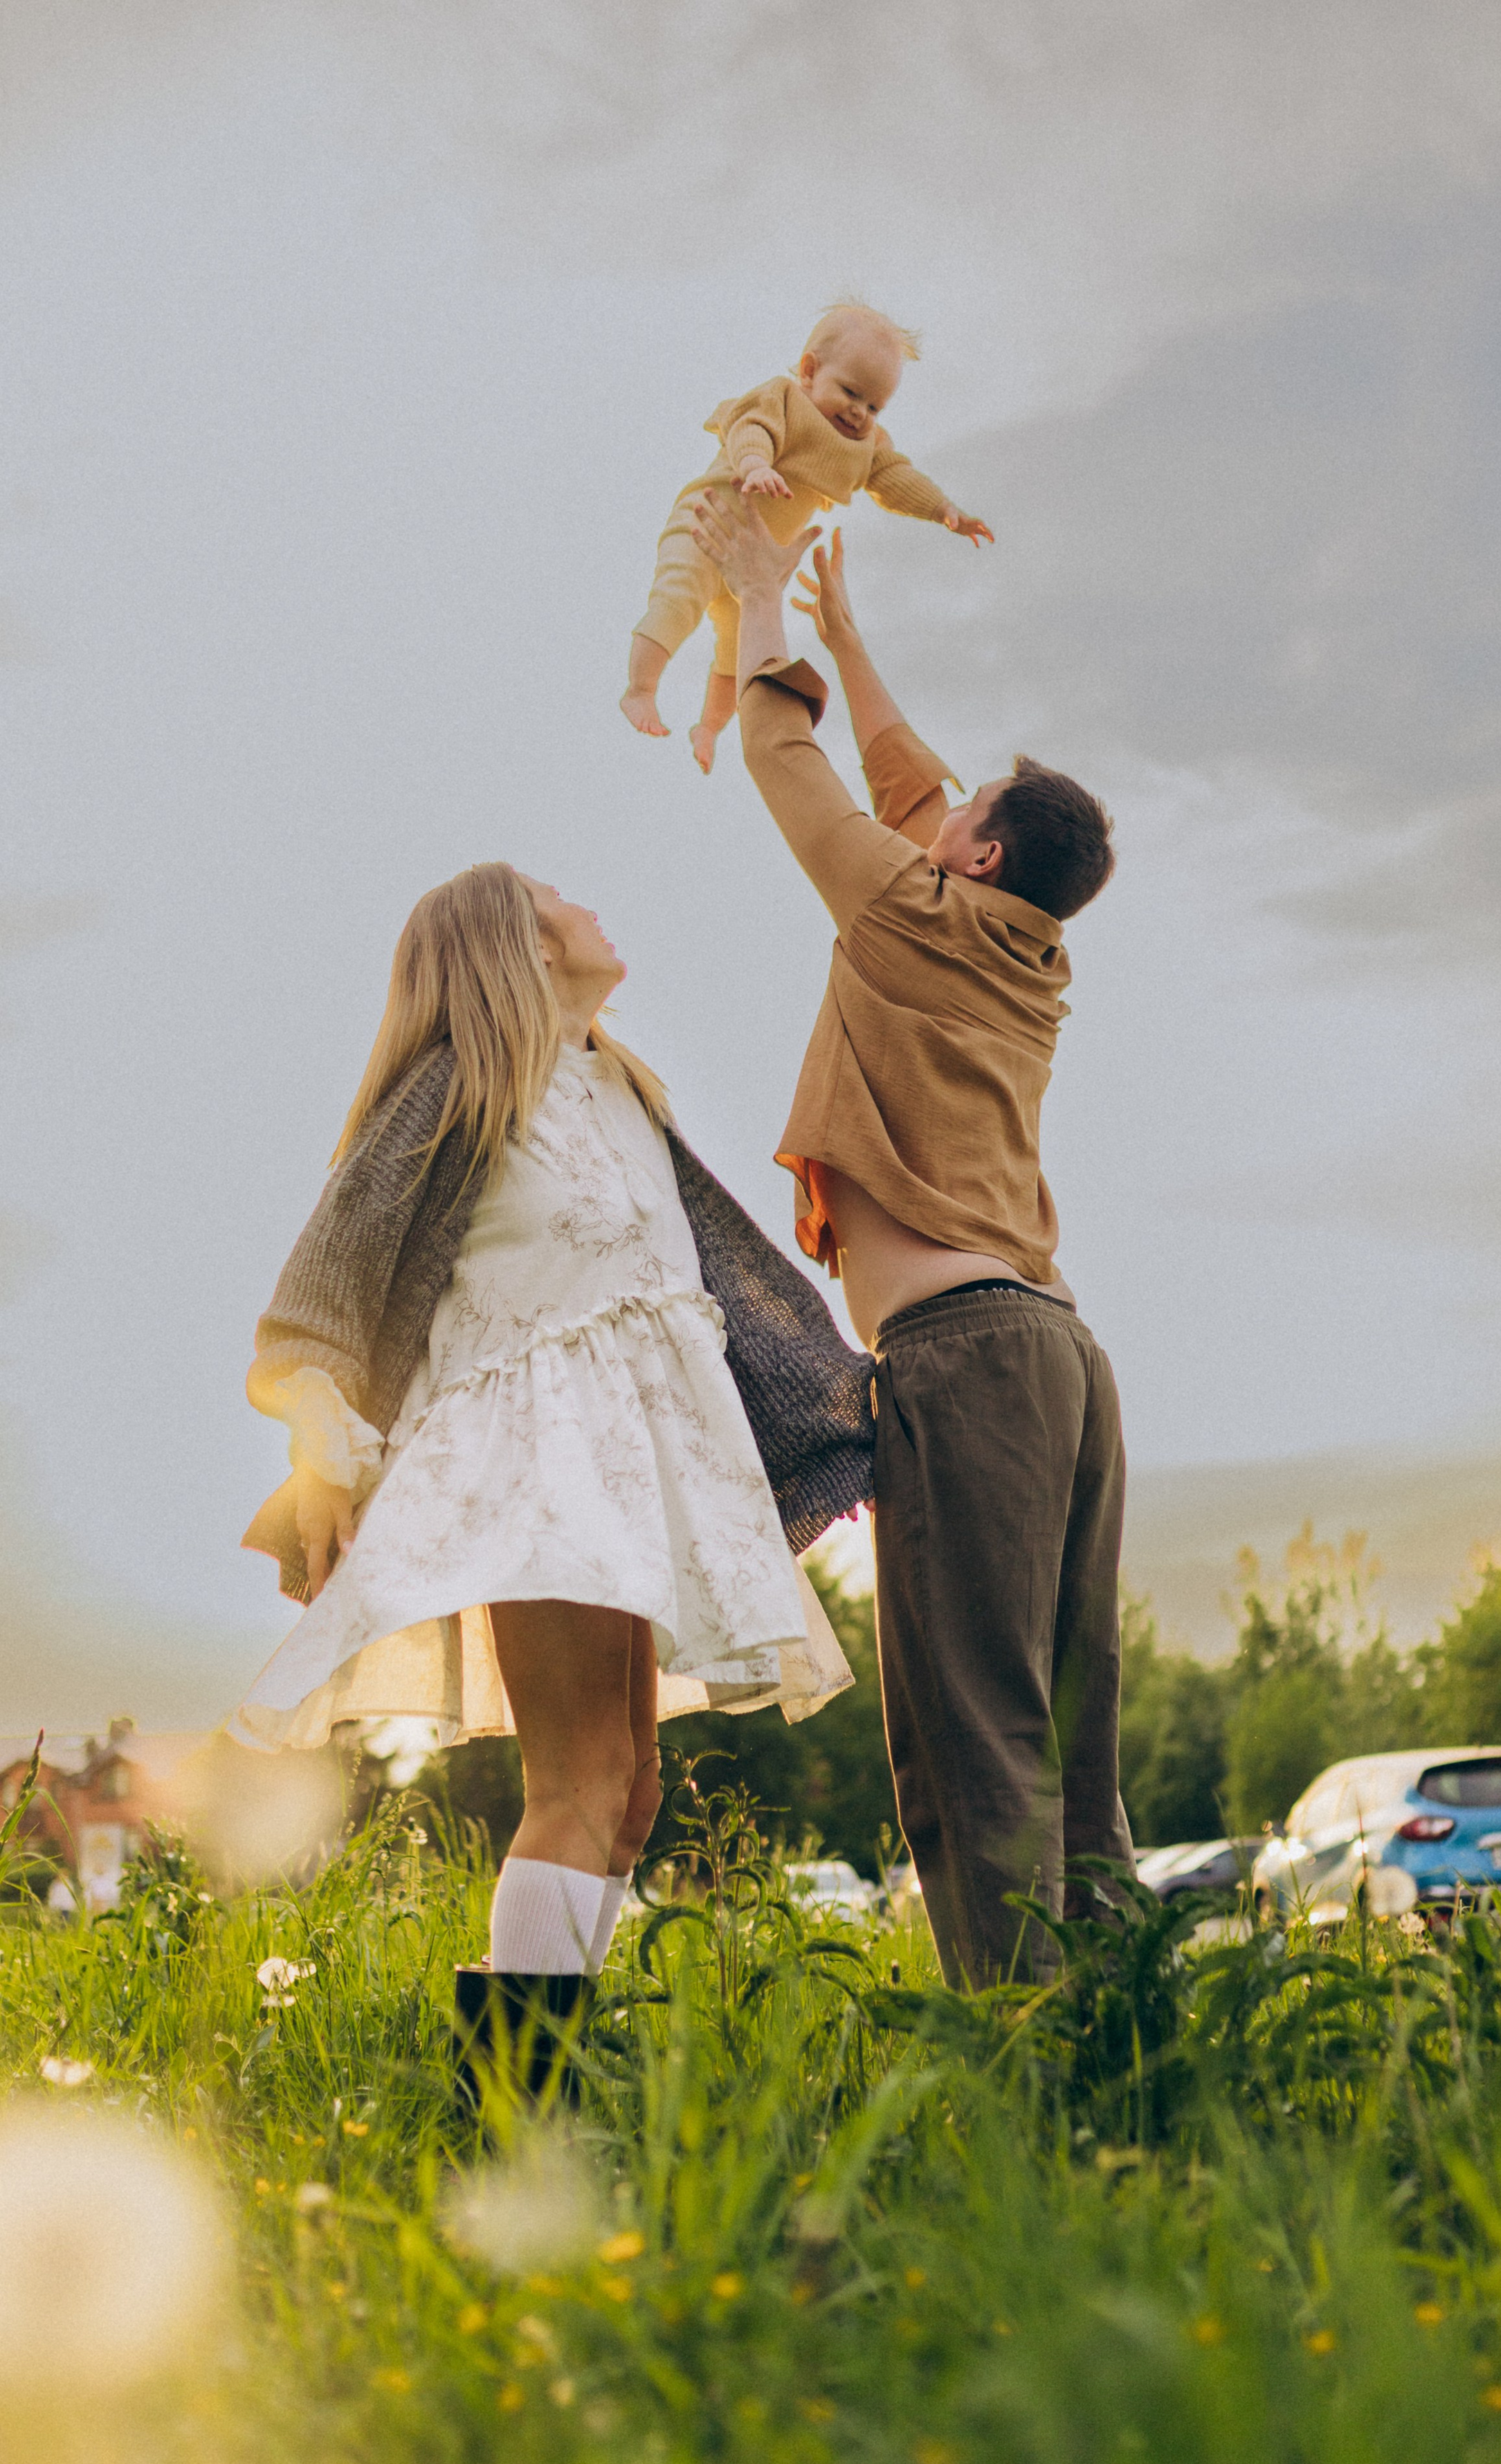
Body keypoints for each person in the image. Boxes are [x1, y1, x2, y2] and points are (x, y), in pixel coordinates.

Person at [234, 861, 870, 1980]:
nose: (591, 904)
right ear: (520, 945)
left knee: (630, 1792)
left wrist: (840, 1409)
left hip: (637, 1471)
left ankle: (552, 2038)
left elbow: (728, 1299)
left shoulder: (621, 1095)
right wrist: (323, 1441)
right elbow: (322, 1289)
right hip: (535, 1464)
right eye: (558, 900)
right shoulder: (462, 1087)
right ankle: (518, 2093)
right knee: (576, 1782)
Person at [688, 495, 1136, 1989]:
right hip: (1062, 1360)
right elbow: (915, 782)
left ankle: (1022, 2058)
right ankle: (1114, 2040)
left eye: (948, 825)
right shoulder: (1028, 949)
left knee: (973, 1731)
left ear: (976, 852)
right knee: (1071, 1736)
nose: (922, 818)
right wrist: (857, 636)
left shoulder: (905, 916)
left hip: (960, 1366)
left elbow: (784, 756)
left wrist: (759, 605)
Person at [620, 302, 991, 772]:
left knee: (739, 651)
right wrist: (756, 464)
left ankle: (709, 727)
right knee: (678, 599)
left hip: (753, 568)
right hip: (704, 524)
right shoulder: (783, 399)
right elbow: (750, 429)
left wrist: (943, 510)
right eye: (851, 392)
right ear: (811, 371)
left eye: (875, 405)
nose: (860, 412)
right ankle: (641, 689)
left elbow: (895, 478)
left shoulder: (868, 446)